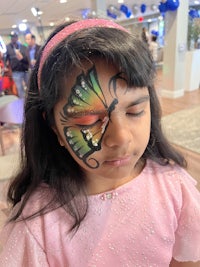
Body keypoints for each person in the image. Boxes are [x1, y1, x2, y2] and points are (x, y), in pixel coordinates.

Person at [0, 19, 199, 266]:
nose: (121, 137)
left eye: (135, 111)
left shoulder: (174, 186)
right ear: (54, 128)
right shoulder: (35, 228)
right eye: (89, 121)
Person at [6, 31, 29, 98]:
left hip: (25, 69)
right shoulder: (8, 47)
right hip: (15, 71)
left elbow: (27, 58)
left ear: (17, 37)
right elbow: (6, 58)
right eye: (12, 37)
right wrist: (5, 66)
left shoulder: (23, 46)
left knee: (29, 86)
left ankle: (30, 100)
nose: (13, 38)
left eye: (14, 37)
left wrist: (21, 57)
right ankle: (23, 102)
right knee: (19, 88)